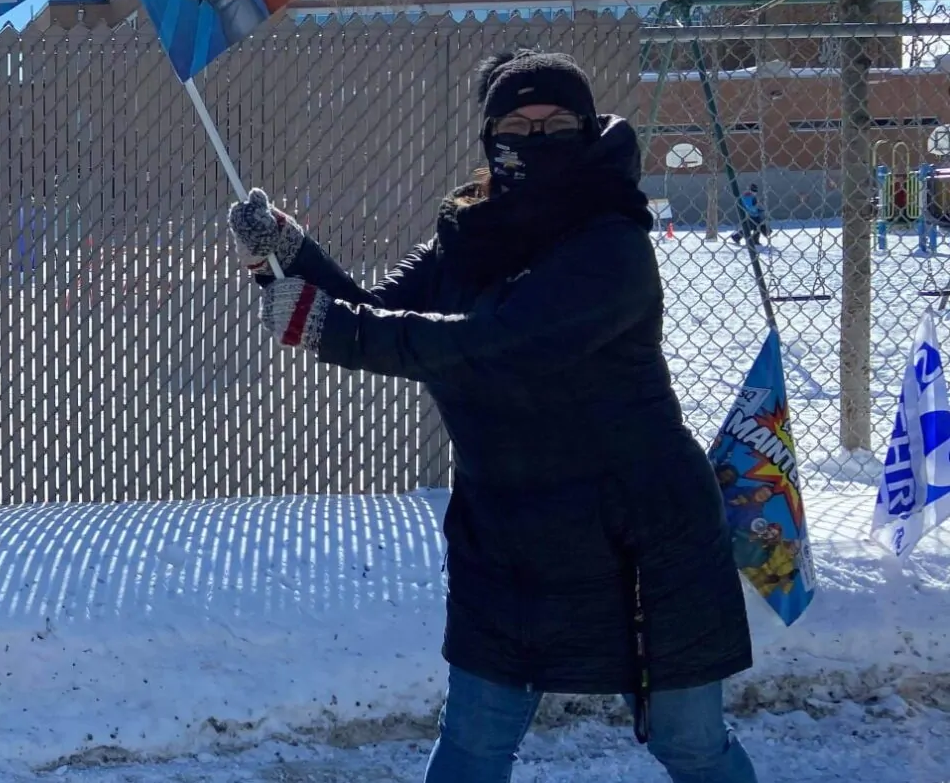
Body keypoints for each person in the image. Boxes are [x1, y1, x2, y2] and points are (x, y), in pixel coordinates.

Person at [229, 49, 756, 782]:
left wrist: (329, 327)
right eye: (517, 122)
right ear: (489, 136)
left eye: (555, 121)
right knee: (473, 745)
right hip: (511, 535)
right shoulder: (464, 232)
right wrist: (289, 253)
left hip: (642, 535)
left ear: (586, 126)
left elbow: (498, 344)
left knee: (690, 742)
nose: (535, 136)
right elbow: (385, 314)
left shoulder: (613, 242)